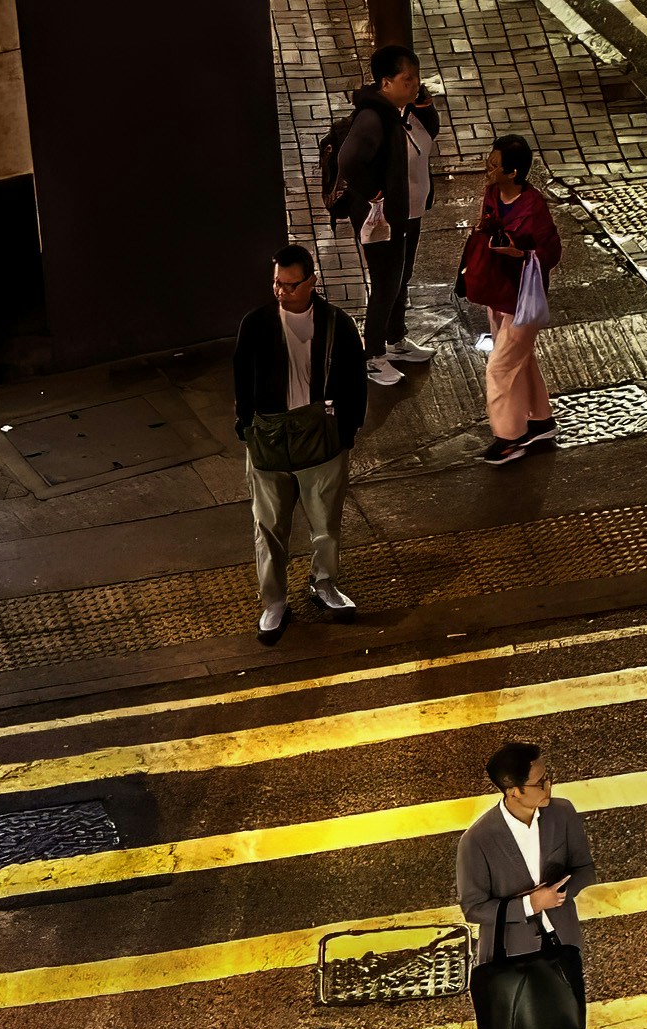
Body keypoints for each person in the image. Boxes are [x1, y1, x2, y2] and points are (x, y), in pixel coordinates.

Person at [456, 740, 596, 1029]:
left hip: (560, 946)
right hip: (506, 957)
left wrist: (560, 895)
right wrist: (528, 905)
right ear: (512, 790)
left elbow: (586, 867)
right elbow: (473, 908)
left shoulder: (562, 812)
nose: (549, 784)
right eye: (540, 781)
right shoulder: (477, 840)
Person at [232, 243, 368, 646]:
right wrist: (246, 426)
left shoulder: (336, 324)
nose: (281, 292)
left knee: (326, 524)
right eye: (277, 283)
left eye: (291, 285)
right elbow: (241, 378)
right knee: (268, 526)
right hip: (270, 439)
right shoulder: (255, 324)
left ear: (312, 282)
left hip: (322, 440)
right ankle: (274, 602)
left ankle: (324, 585)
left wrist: (348, 432)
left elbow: (356, 382)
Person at [325, 45, 441, 387]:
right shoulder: (373, 117)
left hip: (410, 211)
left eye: (418, 76)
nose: (415, 84)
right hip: (384, 216)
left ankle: (396, 340)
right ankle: (373, 355)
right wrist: (375, 193)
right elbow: (349, 162)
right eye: (408, 79)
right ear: (386, 82)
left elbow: (428, 135)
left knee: (401, 276)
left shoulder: (405, 109)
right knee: (386, 281)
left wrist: (425, 105)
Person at [460, 134, 561, 465]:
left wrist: (520, 252)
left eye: (493, 165)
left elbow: (551, 252)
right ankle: (540, 420)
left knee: (501, 367)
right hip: (498, 290)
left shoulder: (534, 209)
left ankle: (509, 438)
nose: (487, 170)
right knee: (521, 360)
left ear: (513, 172)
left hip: (524, 298)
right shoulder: (492, 194)